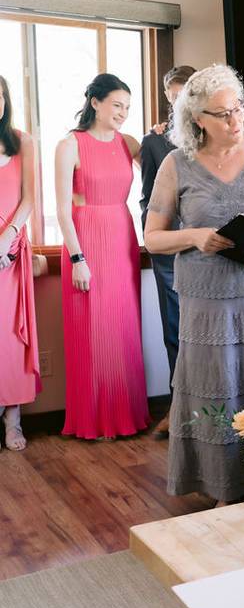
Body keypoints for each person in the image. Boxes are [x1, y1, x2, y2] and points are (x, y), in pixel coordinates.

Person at [144, 64, 244, 504]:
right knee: (216, 391)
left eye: (240, 108)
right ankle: (218, 488)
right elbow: (152, 238)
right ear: (198, 119)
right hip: (206, 301)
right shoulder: (177, 164)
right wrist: (196, 237)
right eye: (223, 114)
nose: (236, 121)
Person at [55, 73, 149, 439]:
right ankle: (94, 420)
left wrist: (159, 135)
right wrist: (78, 258)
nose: (123, 113)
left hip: (122, 236)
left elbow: (161, 169)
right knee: (92, 333)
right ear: (95, 102)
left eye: (127, 107)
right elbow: (62, 208)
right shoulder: (70, 145)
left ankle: (127, 417)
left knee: (124, 330)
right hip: (86, 241)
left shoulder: (129, 143)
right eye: (117, 105)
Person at [140, 65, 196, 439]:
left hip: (209, 250)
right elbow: (147, 199)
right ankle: (178, 411)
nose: (179, 105)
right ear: (167, 99)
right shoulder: (155, 142)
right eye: (173, 99)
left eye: (185, 97)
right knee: (175, 332)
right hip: (169, 252)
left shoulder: (213, 135)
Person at [0, 74, 40, 451]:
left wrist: (8, 237)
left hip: (10, 254)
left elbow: (29, 200)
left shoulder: (22, 141)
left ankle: (13, 419)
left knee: (10, 338)